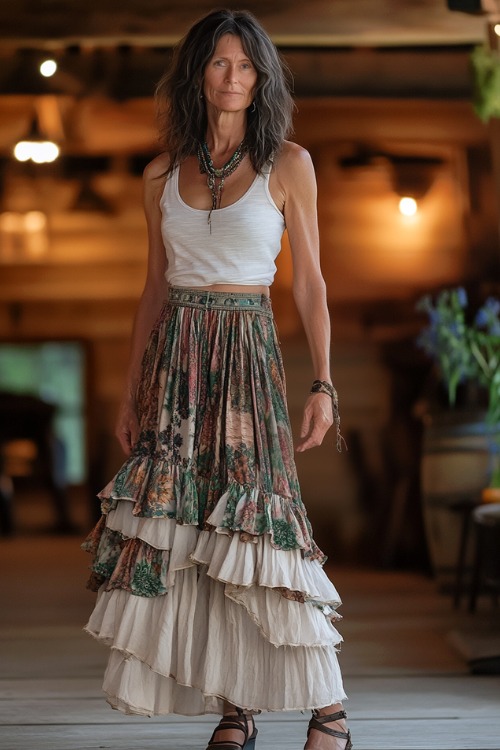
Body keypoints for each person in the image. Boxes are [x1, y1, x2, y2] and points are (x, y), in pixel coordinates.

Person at [83, 9, 351, 750]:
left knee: (259, 526)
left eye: (246, 65)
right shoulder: (161, 176)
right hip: (178, 364)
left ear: (261, 78)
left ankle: (329, 713)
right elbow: (153, 288)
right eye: (219, 64)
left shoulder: (289, 164)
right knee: (193, 528)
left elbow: (310, 288)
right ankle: (236, 708)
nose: (233, 78)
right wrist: (130, 387)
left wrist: (325, 384)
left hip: (248, 353)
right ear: (198, 73)